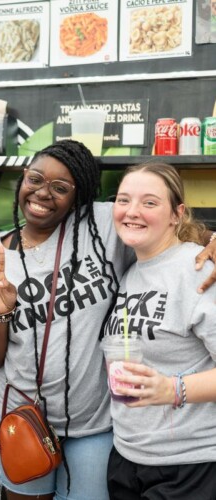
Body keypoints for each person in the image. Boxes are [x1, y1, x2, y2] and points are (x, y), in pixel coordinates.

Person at [0, 140, 216, 500]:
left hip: (96, 424)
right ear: (22, 179)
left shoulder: (103, 225)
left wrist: (211, 240)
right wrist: (1, 312)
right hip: (21, 416)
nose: (43, 193)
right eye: (36, 179)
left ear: (78, 197)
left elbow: (164, 229)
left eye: (61, 188)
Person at [103, 163, 216, 500]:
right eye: (124, 200)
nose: (133, 211)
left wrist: (174, 388)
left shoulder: (199, 269)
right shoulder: (129, 271)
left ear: (176, 214)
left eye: (150, 203)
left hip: (188, 465)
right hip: (127, 457)